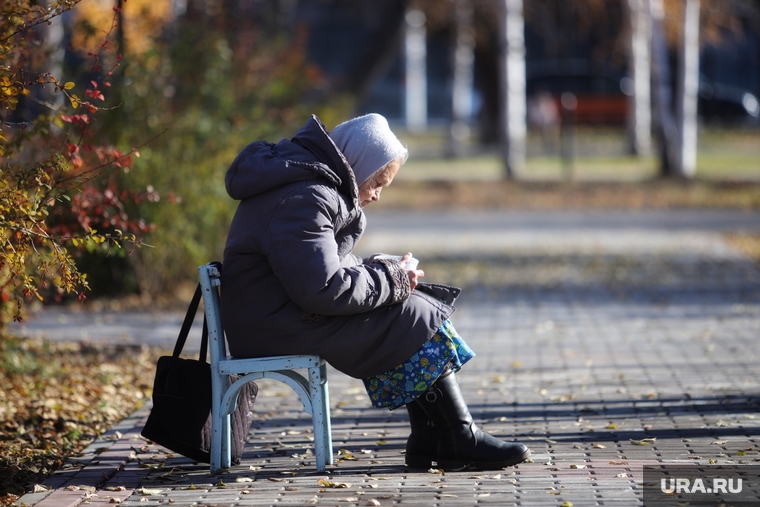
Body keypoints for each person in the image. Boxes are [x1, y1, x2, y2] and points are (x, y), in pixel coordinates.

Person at [221, 113, 530, 471]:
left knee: (408, 305)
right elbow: (323, 288)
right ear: (359, 166)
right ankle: (458, 436)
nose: (378, 195)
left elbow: (322, 270)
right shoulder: (308, 197)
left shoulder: (306, 184)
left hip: (275, 314)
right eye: (378, 181)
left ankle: (431, 435)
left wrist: (387, 271)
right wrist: (392, 278)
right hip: (275, 325)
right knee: (408, 312)